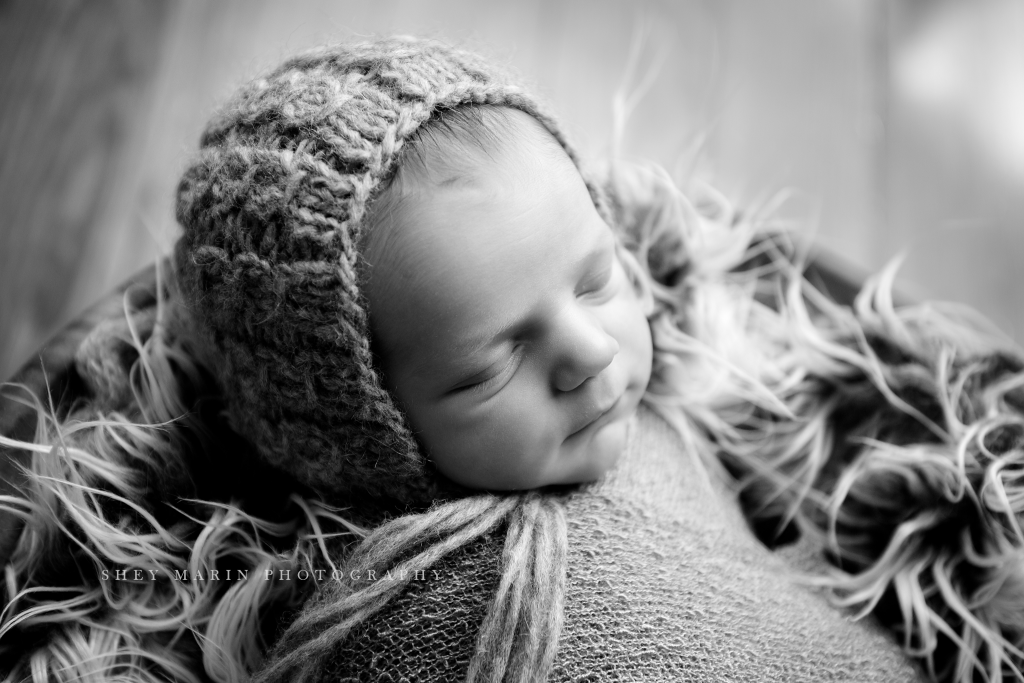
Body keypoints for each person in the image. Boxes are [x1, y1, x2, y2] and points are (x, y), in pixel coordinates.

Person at [3, 36, 1023, 683]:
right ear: (369, 435)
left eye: (596, 278)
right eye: (490, 366)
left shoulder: (709, 398)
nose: (587, 353)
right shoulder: (374, 594)